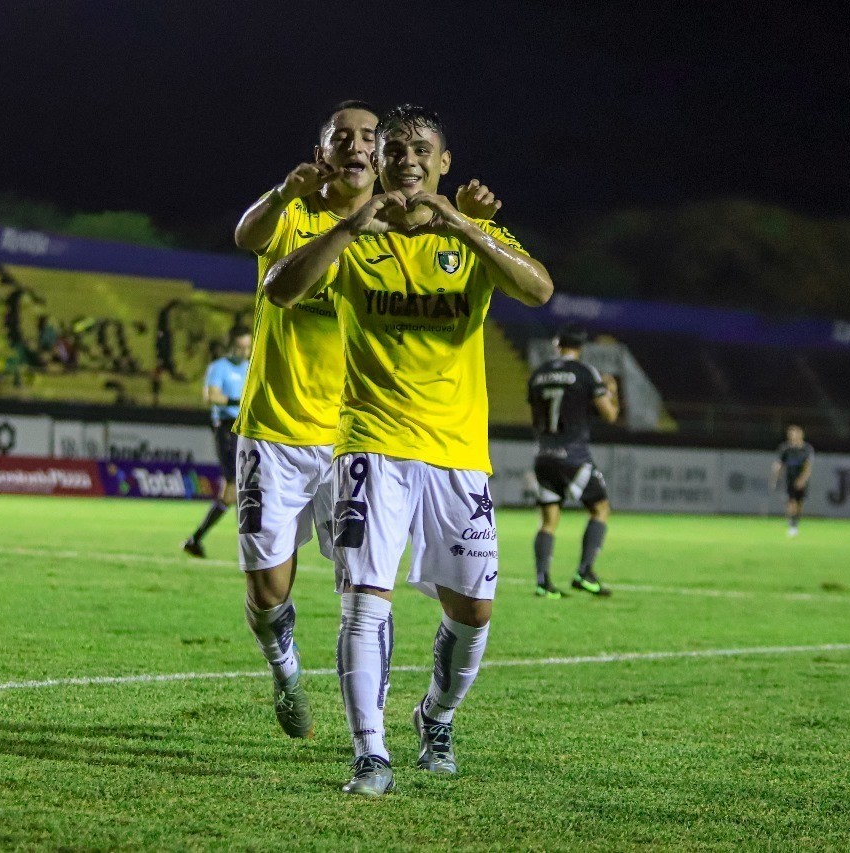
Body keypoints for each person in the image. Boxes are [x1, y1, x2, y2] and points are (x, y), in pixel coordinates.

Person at [265, 104, 553, 796]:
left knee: (474, 611)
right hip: (372, 447)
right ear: (382, 162)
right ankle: (370, 752)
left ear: (444, 163)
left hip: (459, 457)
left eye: (423, 149)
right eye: (396, 150)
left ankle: (437, 717)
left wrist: (463, 223)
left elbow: (539, 289)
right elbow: (280, 289)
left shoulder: (473, 235)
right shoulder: (356, 237)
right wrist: (344, 226)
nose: (408, 159)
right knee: (364, 601)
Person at [231, 100, 506, 741]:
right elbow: (250, 244)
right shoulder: (299, 215)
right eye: (343, 137)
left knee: (363, 591)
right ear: (324, 150)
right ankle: (286, 668)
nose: (358, 146)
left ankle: (382, 732)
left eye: (369, 137)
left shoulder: (405, 229)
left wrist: (468, 227)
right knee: (269, 590)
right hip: (276, 427)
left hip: (356, 435)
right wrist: (284, 193)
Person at [528, 324, 620, 599]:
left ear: (557, 346)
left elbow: (534, 414)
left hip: (544, 454)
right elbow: (609, 416)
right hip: (574, 456)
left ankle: (543, 582)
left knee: (548, 521)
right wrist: (610, 391)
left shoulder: (539, 374)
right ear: (580, 348)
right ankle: (584, 572)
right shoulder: (585, 372)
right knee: (600, 509)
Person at [183, 327, 253, 558]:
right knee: (234, 488)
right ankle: (200, 539)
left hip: (246, 430)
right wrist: (236, 401)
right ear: (230, 346)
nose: (244, 351)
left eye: (247, 347)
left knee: (238, 490)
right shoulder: (219, 367)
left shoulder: (250, 366)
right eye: (240, 347)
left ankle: (197, 539)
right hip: (226, 430)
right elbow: (211, 396)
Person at [771, 424, 814, 537]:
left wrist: (803, 479)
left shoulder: (806, 449)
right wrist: (776, 476)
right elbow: (779, 464)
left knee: (800, 503)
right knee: (791, 501)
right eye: (791, 433)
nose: (793, 435)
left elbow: (808, 466)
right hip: (789, 478)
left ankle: (796, 522)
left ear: (801, 434)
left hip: (801, 479)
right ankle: (792, 525)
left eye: (795, 433)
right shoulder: (785, 448)